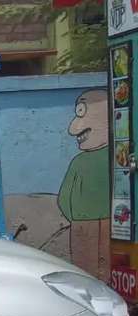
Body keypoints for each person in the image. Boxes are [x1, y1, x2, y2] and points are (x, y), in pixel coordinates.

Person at [58, 89, 111, 279]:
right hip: (113, 222)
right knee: (109, 271)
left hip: (82, 224)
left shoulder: (79, 162)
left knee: (85, 274)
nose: (73, 129)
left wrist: (77, 217)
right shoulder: (117, 158)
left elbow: (64, 198)